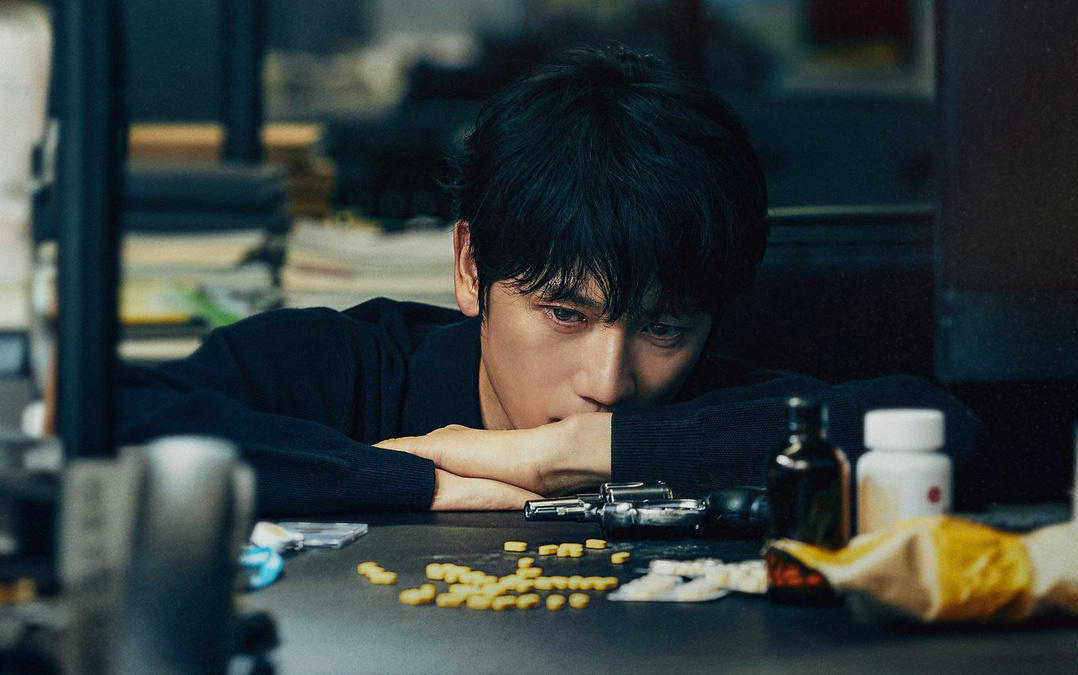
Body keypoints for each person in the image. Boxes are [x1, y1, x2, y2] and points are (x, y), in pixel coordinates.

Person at [119, 45, 985, 515]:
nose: (610, 382)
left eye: (665, 327)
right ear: (471, 269)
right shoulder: (345, 368)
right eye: (565, 312)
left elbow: (944, 430)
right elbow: (117, 423)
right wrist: (420, 480)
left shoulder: (708, 400)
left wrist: (560, 453)